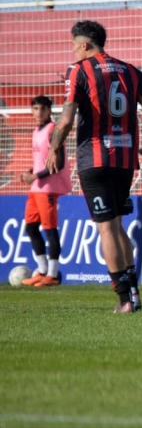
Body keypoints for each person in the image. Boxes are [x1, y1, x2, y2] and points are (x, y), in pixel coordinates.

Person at [45, 20, 142, 313]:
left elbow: (68, 118)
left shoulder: (78, 70)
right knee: (118, 228)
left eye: (73, 45)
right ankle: (134, 293)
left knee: (106, 230)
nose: (73, 51)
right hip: (125, 160)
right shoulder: (132, 71)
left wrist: (55, 148)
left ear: (84, 44)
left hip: (94, 159)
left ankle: (123, 300)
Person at [19, 95, 73, 287]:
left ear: (49, 110)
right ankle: (42, 270)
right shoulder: (36, 131)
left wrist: (36, 176)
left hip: (48, 187)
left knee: (50, 229)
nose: (38, 112)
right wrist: (30, 172)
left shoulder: (53, 131)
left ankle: (53, 274)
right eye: (35, 109)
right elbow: (42, 161)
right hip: (37, 187)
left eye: (42, 108)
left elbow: (57, 164)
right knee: (31, 227)